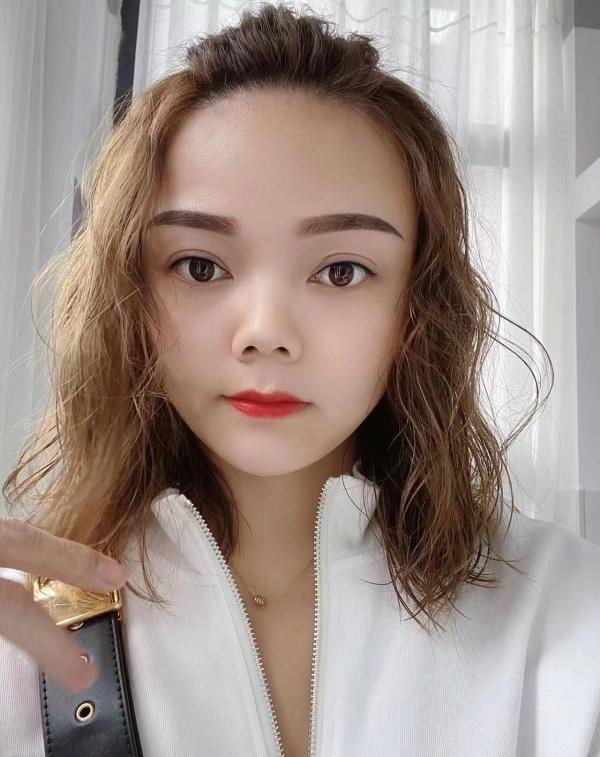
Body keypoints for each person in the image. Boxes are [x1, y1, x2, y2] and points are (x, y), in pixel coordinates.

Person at [1, 3, 599, 756]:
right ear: (131, 294)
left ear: (418, 304)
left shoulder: (561, 605)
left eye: (341, 271)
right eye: (199, 266)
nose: (266, 332)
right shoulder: (25, 619)